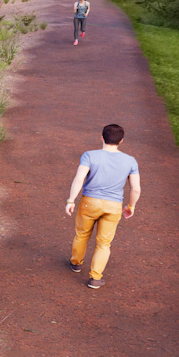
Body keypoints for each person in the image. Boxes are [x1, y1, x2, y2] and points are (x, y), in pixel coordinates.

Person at [65, 123, 141, 290]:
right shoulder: (130, 161)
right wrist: (131, 206)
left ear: (102, 138)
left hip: (89, 202)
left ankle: (76, 263)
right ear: (121, 141)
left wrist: (71, 200)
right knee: (104, 243)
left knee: (82, 234)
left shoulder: (89, 156)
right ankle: (95, 278)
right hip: (113, 206)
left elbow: (79, 179)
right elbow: (135, 188)